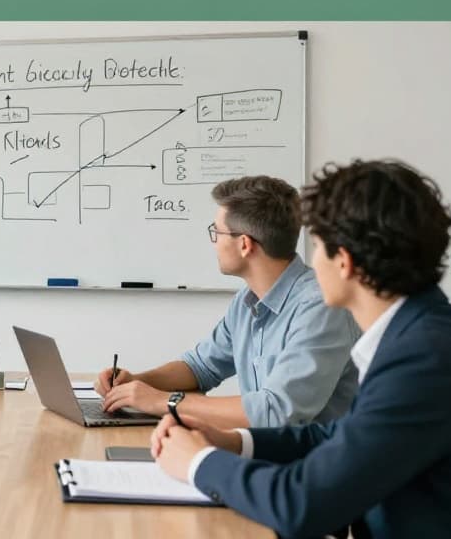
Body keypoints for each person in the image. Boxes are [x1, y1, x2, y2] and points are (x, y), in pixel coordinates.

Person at [153, 160, 451, 539]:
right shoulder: (430, 333)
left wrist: (199, 463)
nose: (310, 262)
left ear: (345, 263)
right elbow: (344, 435)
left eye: (317, 246)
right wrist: (235, 442)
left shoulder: (425, 359)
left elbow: (302, 505)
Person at [99, 176, 359, 428]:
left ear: (244, 244)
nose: (214, 243)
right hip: (265, 454)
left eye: (217, 233)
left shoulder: (321, 308)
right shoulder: (246, 302)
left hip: (314, 465)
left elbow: (276, 412)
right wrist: (134, 384)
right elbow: (201, 367)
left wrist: (162, 401)